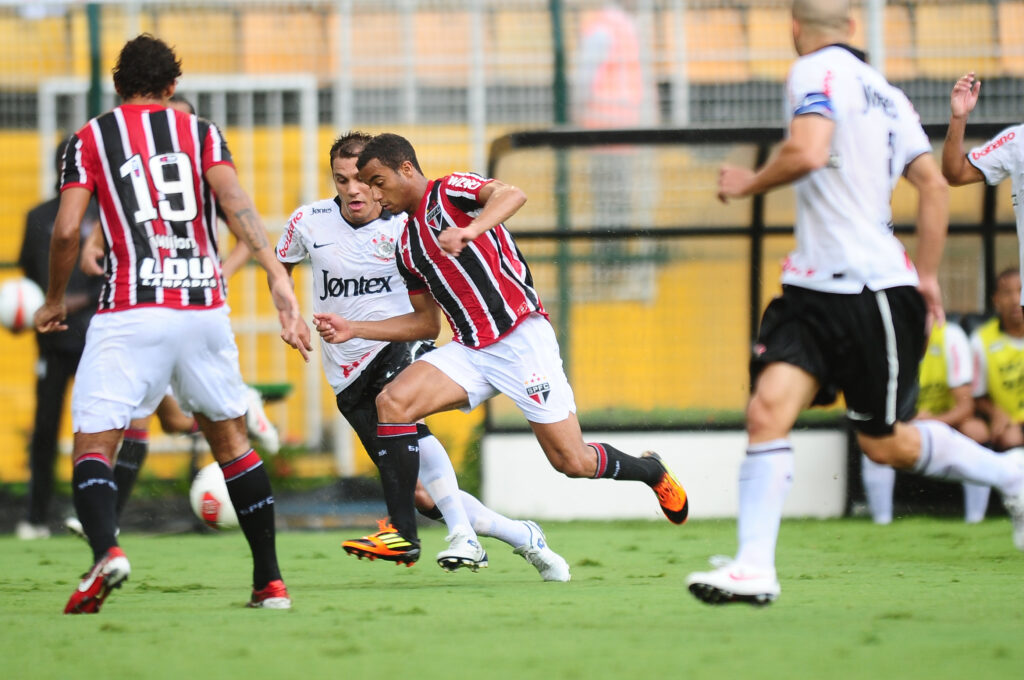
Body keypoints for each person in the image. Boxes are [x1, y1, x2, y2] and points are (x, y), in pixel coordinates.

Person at [685, 0, 1024, 607]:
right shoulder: (889, 94)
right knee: (767, 411)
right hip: (816, 288)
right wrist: (926, 275)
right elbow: (930, 185)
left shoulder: (811, 72)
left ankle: (1011, 475)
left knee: (885, 443)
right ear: (852, 27)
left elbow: (810, 151)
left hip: (869, 293)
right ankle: (754, 567)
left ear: (796, 29)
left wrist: (749, 181)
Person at [33, 34, 310, 614]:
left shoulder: (93, 136)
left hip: (133, 308)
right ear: (173, 86)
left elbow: (65, 231)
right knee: (233, 444)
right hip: (204, 307)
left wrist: (56, 299)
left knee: (94, 440)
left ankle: (107, 550)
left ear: (116, 85)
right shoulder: (202, 132)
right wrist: (277, 278)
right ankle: (271, 583)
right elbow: (238, 208)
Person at [315, 132, 688, 561]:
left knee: (572, 462)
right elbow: (425, 323)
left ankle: (651, 470)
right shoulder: (407, 246)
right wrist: (354, 328)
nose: (373, 195)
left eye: (378, 182)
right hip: (471, 350)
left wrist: (470, 229)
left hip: (520, 341)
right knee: (393, 402)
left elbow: (513, 194)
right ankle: (403, 534)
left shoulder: (452, 191)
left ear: (405, 169)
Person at [278, 132, 570, 580]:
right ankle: (518, 535)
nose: (358, 190)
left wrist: (471, 231)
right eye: (344, 180)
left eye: (368, 180)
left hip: (400, 346)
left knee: (402, 408)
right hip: (346, 367)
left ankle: (454, 538)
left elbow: (426, 319)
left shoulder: (406, 219)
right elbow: (280, 265)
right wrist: (291, 313)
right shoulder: (309, 221)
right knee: (416, 490)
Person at [63, 94, 279, 540]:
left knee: (142, 421)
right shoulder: (142, 169)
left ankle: (107, 524)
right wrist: (95, 242)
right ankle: (246, 411)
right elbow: (128, 209)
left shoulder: (201, 164)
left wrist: (223, 274)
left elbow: (244, 229)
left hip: (185, 302)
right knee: (168, 421)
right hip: (152, 305)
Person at [14, 136, 104, 540]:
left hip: (95, 338)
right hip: (51, 343)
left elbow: (112, 276)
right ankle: (36, 516)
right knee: (45, 429)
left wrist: (68, 301)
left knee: (95, 429)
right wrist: (26, 308)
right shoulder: (37, 217)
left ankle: (87, 512)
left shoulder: (104, 216)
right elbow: (28, 280)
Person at [861, 318, 992, 524]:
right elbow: (875, 405)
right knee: (874, 436)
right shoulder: (886, 341)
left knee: (976, 430)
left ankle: (975, 519)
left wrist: (934, 420)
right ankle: (881, 521)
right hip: (902, 424)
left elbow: (965, 407)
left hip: (947, 422)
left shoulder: (951, 337)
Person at [971, 269, 1024, 452]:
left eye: (1021, 290)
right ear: (996, 300)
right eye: (1007, 293)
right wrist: (996, 413)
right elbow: (976, 396)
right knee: (1010, 438)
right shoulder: (981, 340)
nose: (1016, 299)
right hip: (1010, 425)